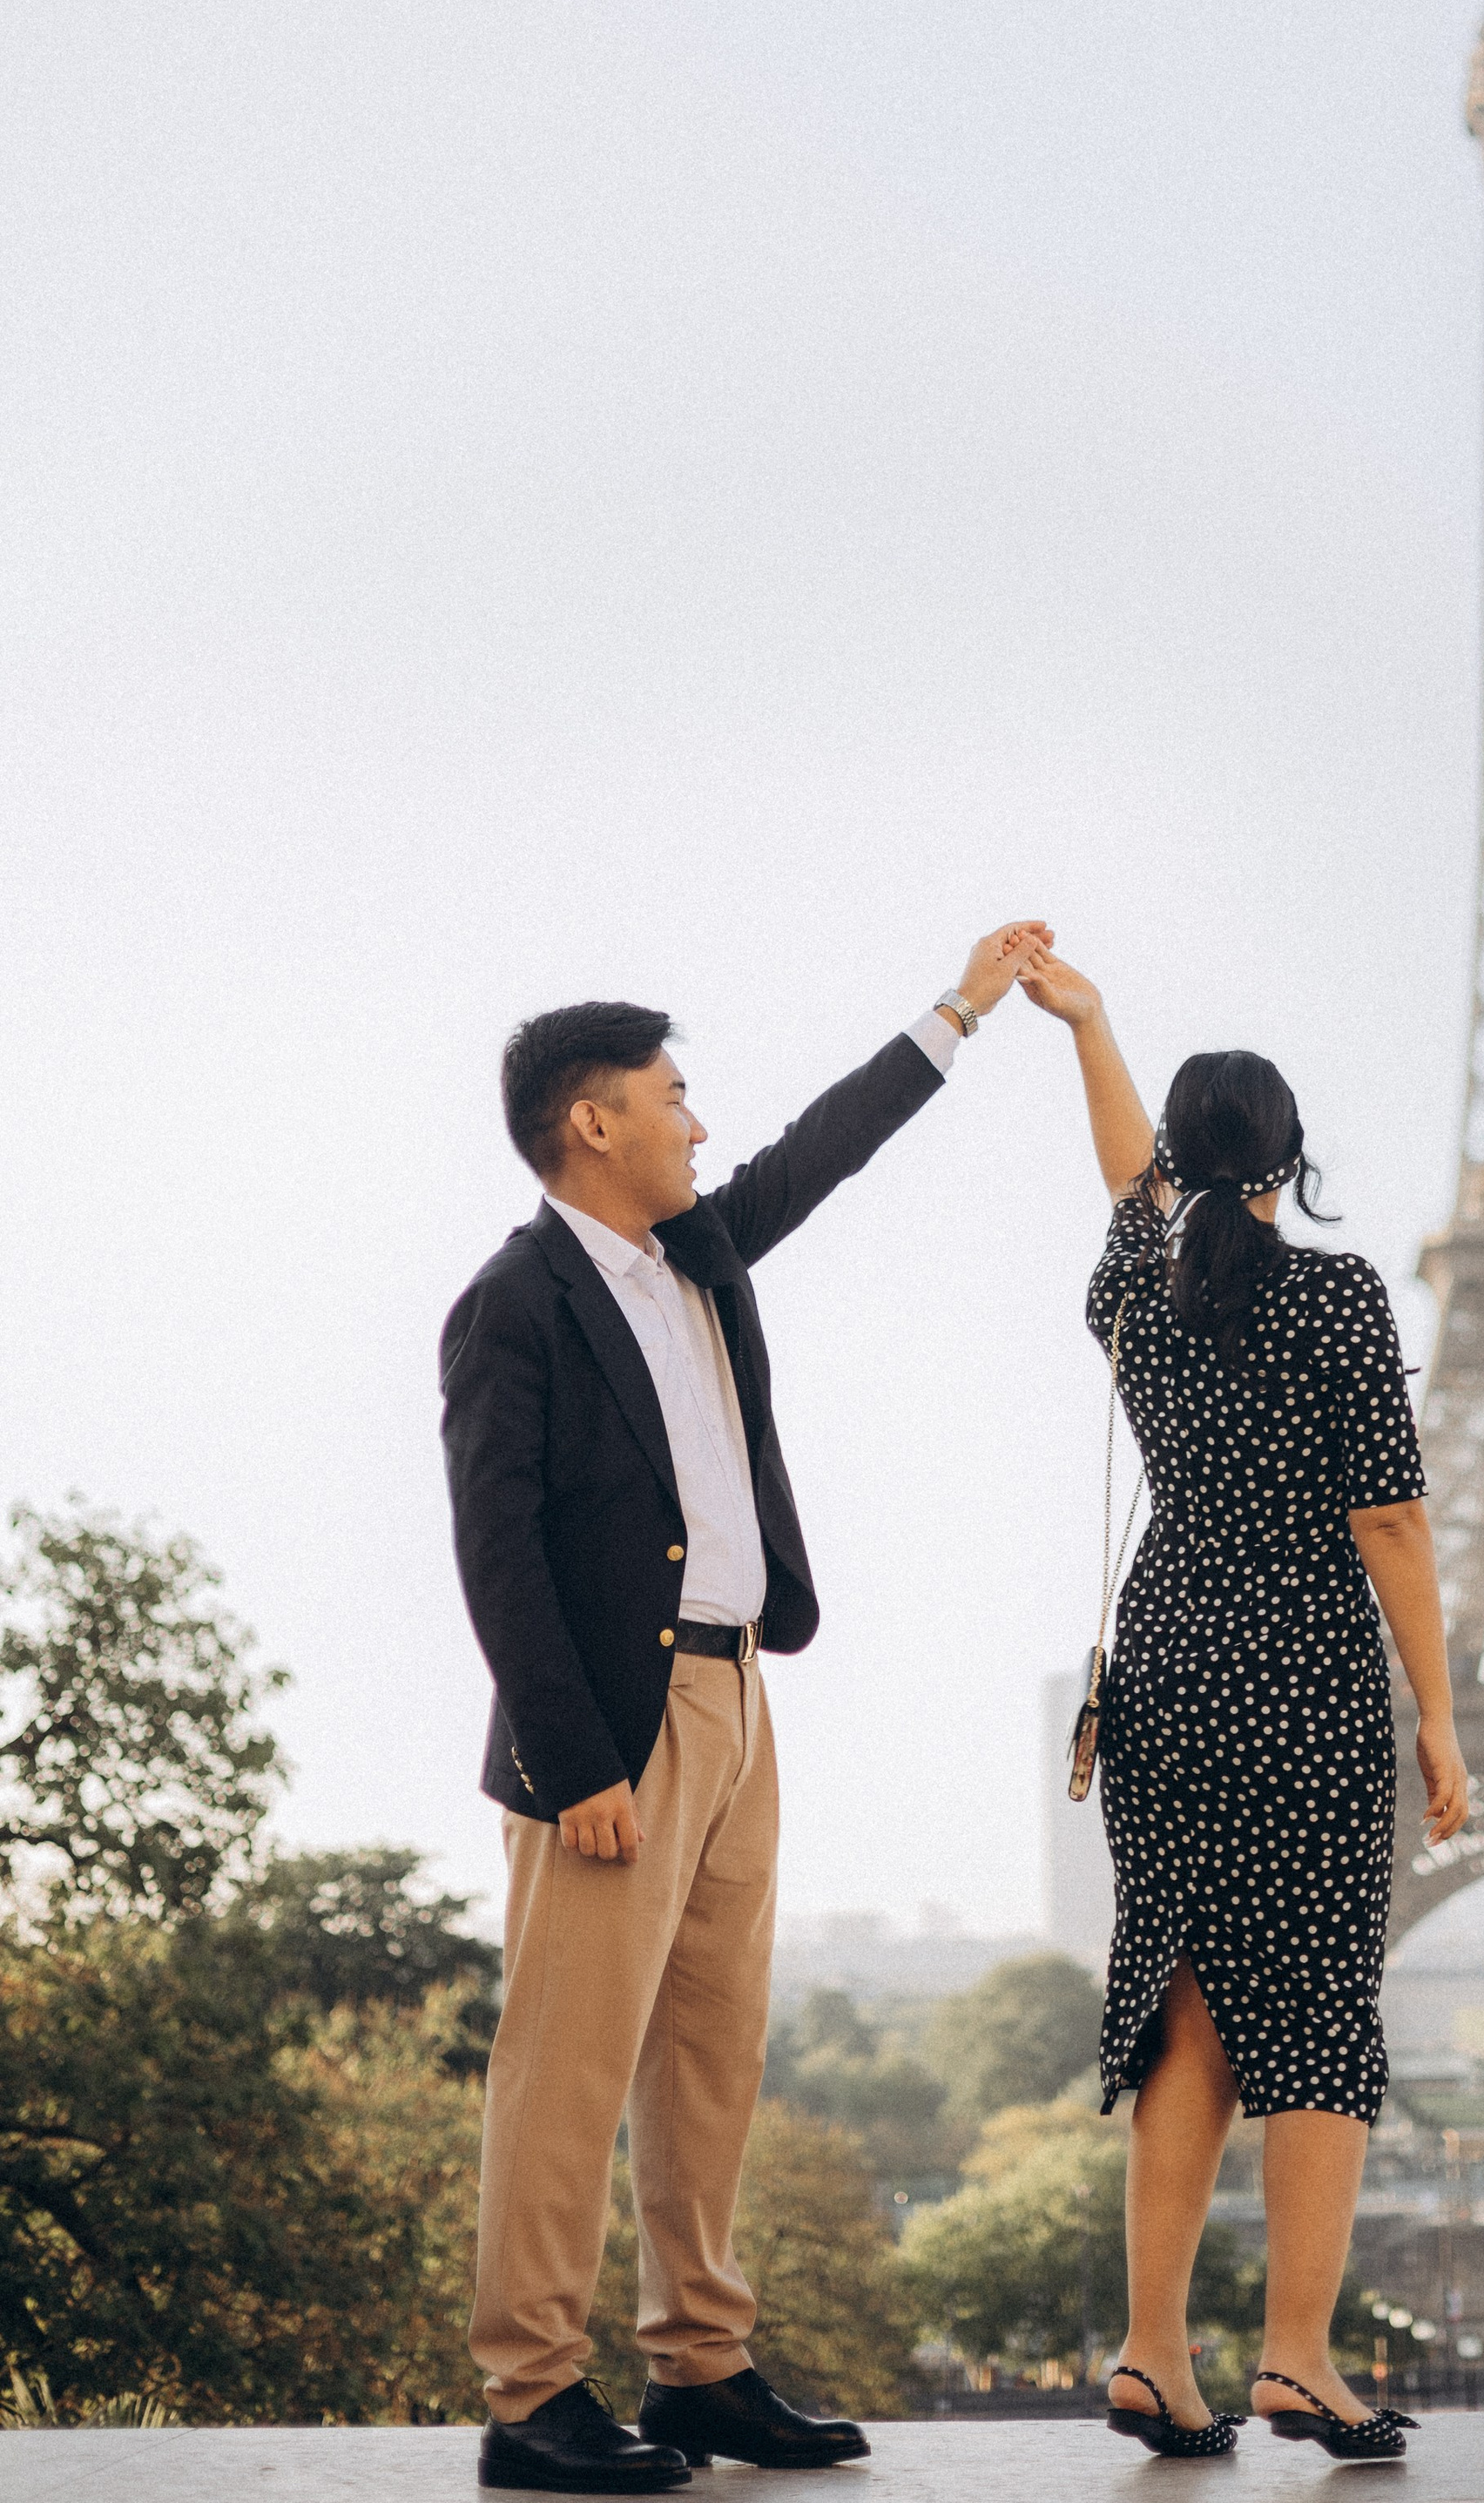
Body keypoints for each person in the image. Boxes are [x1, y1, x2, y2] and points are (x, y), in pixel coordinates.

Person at [441, 927, 1045, 2493]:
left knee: (711, 2053)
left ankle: (698, 2368)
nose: (699, 1123)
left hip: (735, 1690)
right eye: (673, 1096)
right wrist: (575, 1761)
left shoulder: (700, 1253)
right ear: (595, 1123)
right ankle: (531, 2396)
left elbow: (820, 1151)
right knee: (568, 2067)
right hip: (611, 1729)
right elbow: (497, 1553)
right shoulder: (514, 1304)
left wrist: (961, 1008)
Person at [1020, 949, 1469, 2465]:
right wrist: (1439, 1715)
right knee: (1323, 2010)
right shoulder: (1337, 1298)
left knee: (1188, 2005)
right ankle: (1296, 2360)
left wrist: (1090, 1027)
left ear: (1178, 1157)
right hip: (1301, 1670)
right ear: (1291, 1157)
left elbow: (1124, 1183)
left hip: (1167, 1665)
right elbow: (1389, 1521)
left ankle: (1153, 2355)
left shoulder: (1135, 1294)